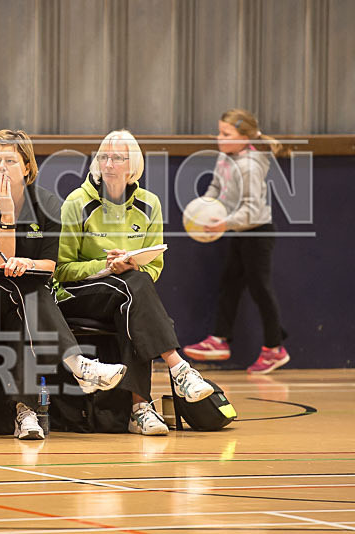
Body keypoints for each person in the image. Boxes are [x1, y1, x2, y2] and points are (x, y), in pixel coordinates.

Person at [0, 129, 126, 440]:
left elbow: (49, 266)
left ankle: (27, 412)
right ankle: (77, 366)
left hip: (26, 294)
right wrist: (7, 214)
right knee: (19, 292)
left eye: (9, 160)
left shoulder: (48, 203)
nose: (1, 167)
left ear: (26, 166)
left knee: (30, 293)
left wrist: (28, 264)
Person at [55, 130, 214, 436]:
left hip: (125, 291)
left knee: (134, 295)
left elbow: (154, 266)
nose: (109, 163)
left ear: (133, 166)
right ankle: (175, 372)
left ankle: (139, 410)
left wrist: (127, 265)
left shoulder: (149, 204)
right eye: (104, 157)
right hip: (80, 291)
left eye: (118, 158)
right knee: (135, 288)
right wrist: (104, 266)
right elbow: (61, 269)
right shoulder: (77, 202)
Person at [184, 109, 289, 374]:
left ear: (245, 138)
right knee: (230, 284)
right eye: (219, 132)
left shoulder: (251, 166)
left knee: (260, 289)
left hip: (258, 233)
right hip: (241, 233)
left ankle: (274, 348)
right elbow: (216, 189)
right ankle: (219, 340)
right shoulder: (225, 158)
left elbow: (253, 210)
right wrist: (203, 208)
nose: (219, 138)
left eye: (226, 134)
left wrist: (224, 223)